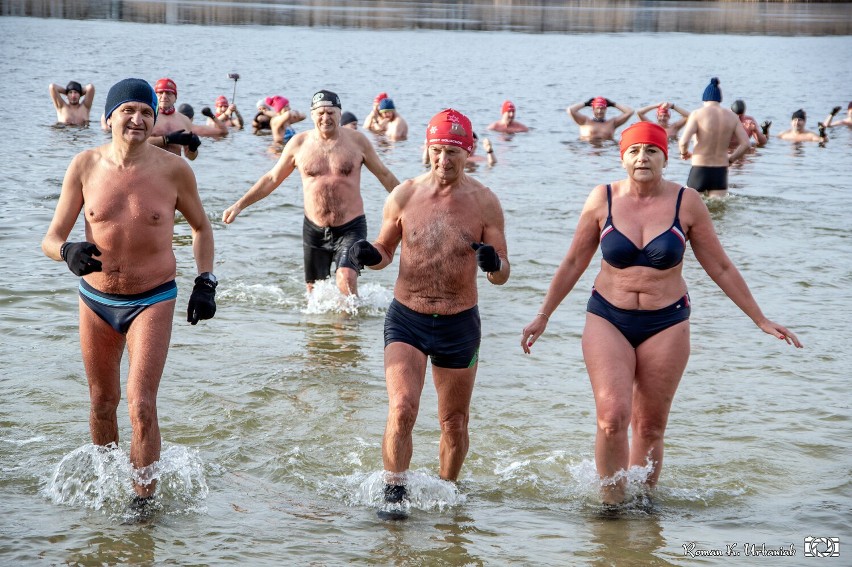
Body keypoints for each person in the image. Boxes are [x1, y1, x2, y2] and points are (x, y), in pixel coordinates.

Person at [520, 121, 802, 508]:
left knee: (650, 426)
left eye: (651, 151)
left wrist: (760, 319)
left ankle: (643, 502)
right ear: (622, 158)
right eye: (634, 151)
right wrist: (543, 315)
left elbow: (720, 267)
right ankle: (611, 505)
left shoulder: (687, 202)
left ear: (664, 158)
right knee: (612, 417)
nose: (642, 158)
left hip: (666, 321)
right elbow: (572, 262)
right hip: (608, 316)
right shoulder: (601, 198)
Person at [41, 78, 217, 512]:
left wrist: (206, 280)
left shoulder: (174, 170)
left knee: (140, 404)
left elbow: (201, 227)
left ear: (153, 120)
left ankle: (142, 502)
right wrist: (67, 251)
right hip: (96, 300)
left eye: (145, 112)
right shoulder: (84, 165)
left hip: (152, 298)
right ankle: (107, 480)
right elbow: (50, 238)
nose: (137, 119)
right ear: (109, 118)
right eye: (128, 111)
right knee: (103, 403)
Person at [349, 108, 510, 518]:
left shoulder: (485, 202)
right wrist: (369, 254)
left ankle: (448, 494)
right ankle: (394, 495)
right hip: (408, 317)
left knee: (454, 422)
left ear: (468, 152)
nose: (444, 159)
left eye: (453, 151)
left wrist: (493, 263)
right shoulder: (404, 194)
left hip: (459, 323)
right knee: (403, 407)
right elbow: (385, 252)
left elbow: (503, 275)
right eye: (437, 150)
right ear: (427, 149)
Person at [222, 90, 400, 296]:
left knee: (346, 277)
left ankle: (347, 327)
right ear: (313, 114)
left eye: (331, 112)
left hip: (351, 226)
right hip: (314, 229)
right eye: (321, 112)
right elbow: (272, 179)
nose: (326, 118)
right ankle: (320, 329)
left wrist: (410, 205)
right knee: (314, 292)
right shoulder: (299, 144)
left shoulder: (358, 142)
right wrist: (239, 205)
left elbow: (384, 175)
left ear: (339, 114)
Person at [677, 78, 749, 197]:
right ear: (719, 99)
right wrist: (731, 159)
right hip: (720, 171)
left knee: (691, 208)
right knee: (718, 210)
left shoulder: (697, 114)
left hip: (699, 169)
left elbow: (683, 142)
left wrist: (684, 153)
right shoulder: (732, 117)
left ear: (704, 98)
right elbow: (746, 144)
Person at [148, 78, 201, 160]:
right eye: (160, 93)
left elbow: (191, 157)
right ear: (154, 96)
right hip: (150, 166)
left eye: (169, 93)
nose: (164, 96)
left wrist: (193, 148)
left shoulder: (184, 120)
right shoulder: (148, 116)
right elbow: (137, 144)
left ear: (175, 97)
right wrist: (166, 139)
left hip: (174, 169)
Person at [567, 96, 634, 140]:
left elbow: (630, 112)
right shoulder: (585, 121)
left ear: (606, 109)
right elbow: (570, 110)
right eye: (597, 108)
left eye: (602, 109)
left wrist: (614, 104)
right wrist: (585, 103)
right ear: (593, 109)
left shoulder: (612, 123)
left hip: (606, 150)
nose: (599, 111)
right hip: (588, 150)